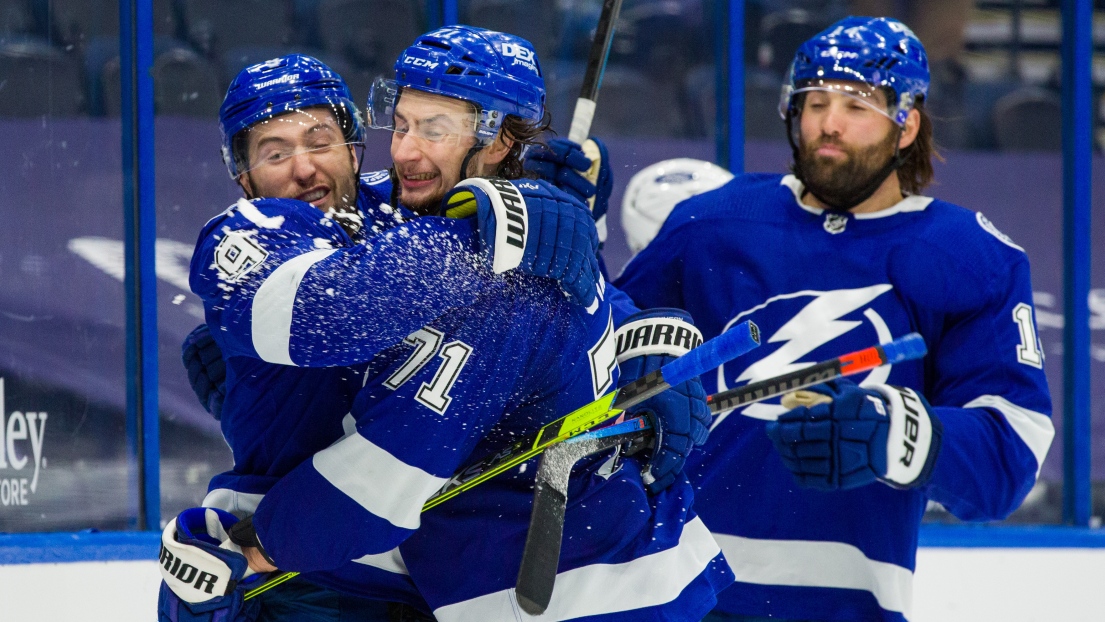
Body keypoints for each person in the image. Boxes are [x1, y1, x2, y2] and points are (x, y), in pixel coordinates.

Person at [162, 26, 723, 622]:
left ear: (353, 149)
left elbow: (577, 304)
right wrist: (497, 233)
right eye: (273, 153)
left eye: (320, 141)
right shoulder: (243, 236)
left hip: (464, 576)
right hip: (311, 577)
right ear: (242, 176)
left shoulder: (406, 209)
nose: (303, 168)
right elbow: (331, 313)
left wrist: (646, 338)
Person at [613, 16, 1054, 622]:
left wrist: (907, 434)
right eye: (814, 102)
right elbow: (604, 362)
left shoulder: (971, 256)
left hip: (846, 603)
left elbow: (1010, 455)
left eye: (857, 104)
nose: (830, 121)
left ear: (907, 126)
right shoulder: (710, 225)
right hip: (676, 588)